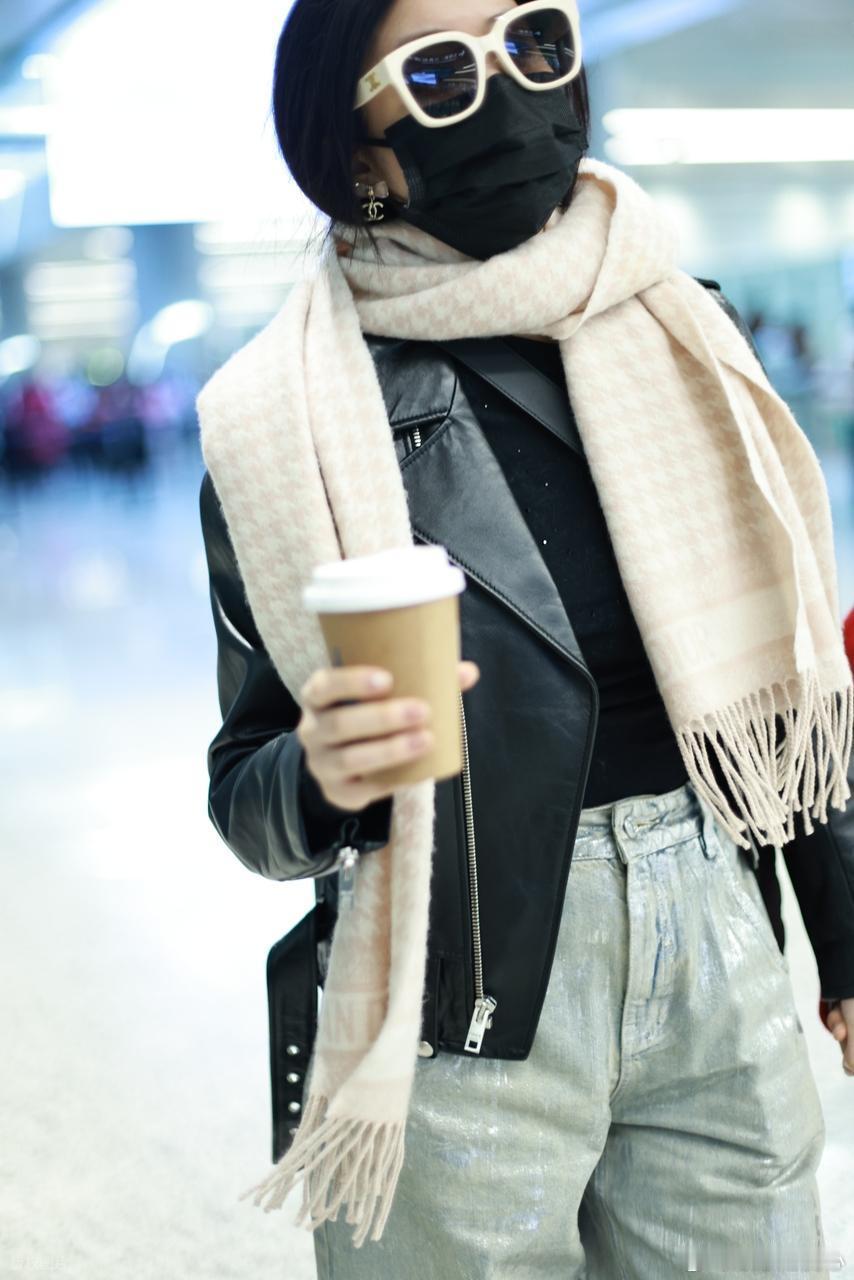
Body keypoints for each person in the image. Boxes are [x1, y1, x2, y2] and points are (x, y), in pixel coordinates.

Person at [197, 1, 854, 1275]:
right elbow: (245, 790)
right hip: (457, 983)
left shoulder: (686, 329)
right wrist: (322, 776)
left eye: (535, 41)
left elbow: (791, 689)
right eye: (442, 73)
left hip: (717, 935)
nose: (510, 94)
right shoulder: (281, 423)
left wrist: (843, 928)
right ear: (359, 150)